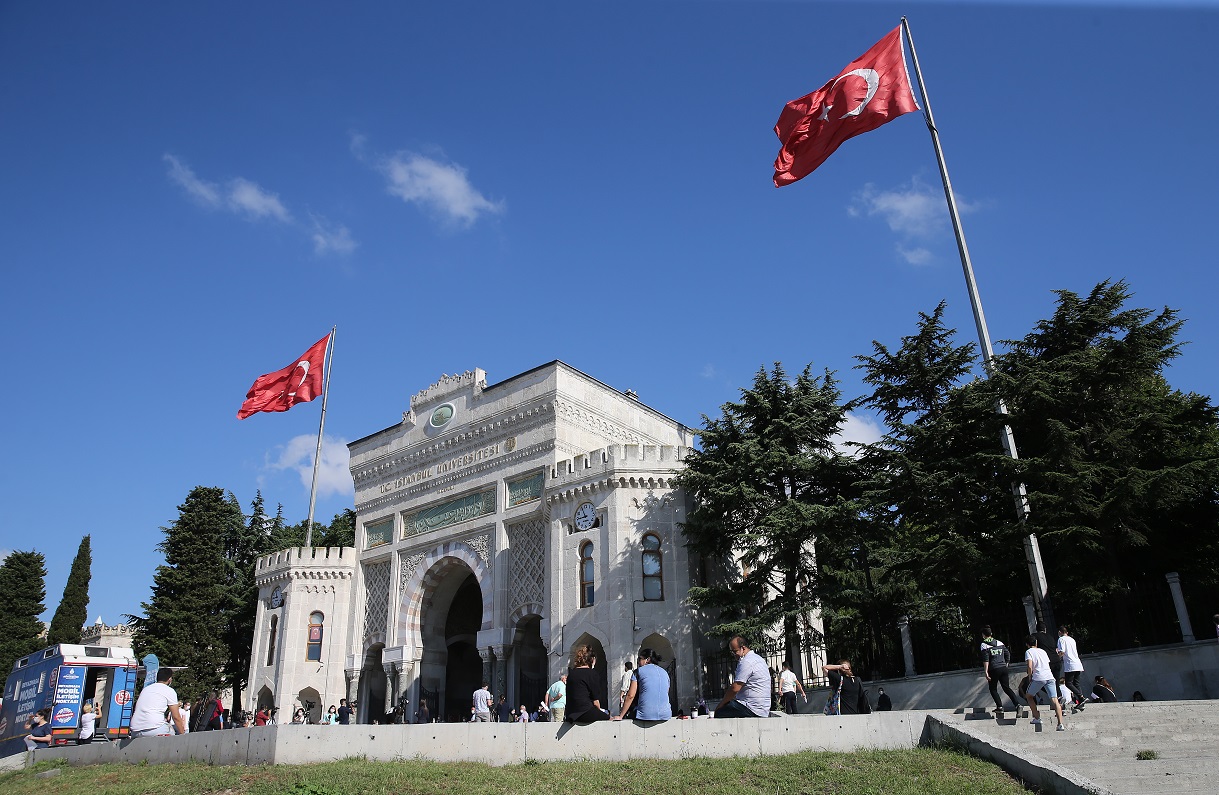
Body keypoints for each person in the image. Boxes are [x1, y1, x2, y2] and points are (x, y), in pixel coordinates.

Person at [714, 636, 771, 718]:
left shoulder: (746, 661)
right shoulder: (758, 659)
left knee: (719, 712)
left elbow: (735, 688)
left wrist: (721, 704)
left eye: (735, 651)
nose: (734, 655)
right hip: (762, 709)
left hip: (751, 708)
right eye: (732, 652)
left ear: (743, 648)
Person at [613, 648, 672, 721]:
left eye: (640, 659)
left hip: (646, 714)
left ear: (648, 659)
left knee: (629, 715)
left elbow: (630, 695)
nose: (638, 662)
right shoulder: (665, 672)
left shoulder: (638, 672)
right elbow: (666, 692)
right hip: (666, 714)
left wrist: (621, 715)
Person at [1023, 634, 1065, 731]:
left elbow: (1029, 666)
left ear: (1027, 644)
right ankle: (1060, 724)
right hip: (1049, 676)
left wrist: (1030, 676)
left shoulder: (1028, 652)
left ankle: (1037, 717)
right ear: (1036, 643)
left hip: (1038, 677)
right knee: (1054, 700)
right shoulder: (1042, 651)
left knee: (1029, 696)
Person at [131, 668, 187, 737]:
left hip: (135, 730)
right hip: (154, 728)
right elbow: (176, 717)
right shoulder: (169, 690)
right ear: (169, 679)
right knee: (171, 731)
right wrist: (183, 735)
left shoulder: (146, 689)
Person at [565, 644, 610, 723]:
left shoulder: (571, 674)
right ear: (592, 659)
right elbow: (596, 701)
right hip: (586, 712)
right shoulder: (592, 673)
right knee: (608, 717)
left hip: (571, 714)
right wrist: (600, 712)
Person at [979, 626, 1020, 713]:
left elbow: (986, 659)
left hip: (994, 669)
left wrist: (986, 671)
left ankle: (1000, 707)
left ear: (983, 635)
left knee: (993, 689)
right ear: (991, 634)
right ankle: (1017, 705)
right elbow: (1007, 653)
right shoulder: (999, 642)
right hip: (1003, 668)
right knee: (1006, 688)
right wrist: (1007, 663)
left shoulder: (984, 645)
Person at [1057, 626, 1086, 711]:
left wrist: (1056, 658)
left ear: (1060, 632)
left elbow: (1062, 652)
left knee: (1068, 683)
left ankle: (1081, 697)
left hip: (1070, 664)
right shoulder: (1072, 639)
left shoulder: (1061, 639)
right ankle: (1081, 702)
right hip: (1077, 663)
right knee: (1076, 683)